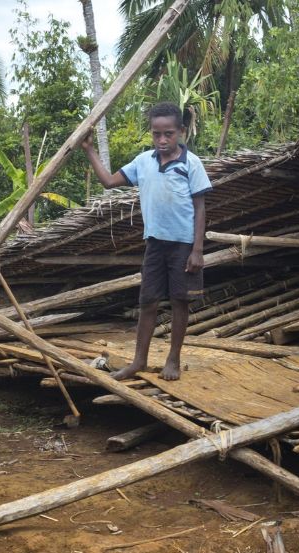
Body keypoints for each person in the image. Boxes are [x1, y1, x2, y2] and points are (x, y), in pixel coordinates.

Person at [80, 102, 211, 381]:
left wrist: (197, 250)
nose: (162, 140)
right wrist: (89, 149)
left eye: (169, 134)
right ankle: (138, 361)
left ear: (181, 132)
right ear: (151, 134)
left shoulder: (192, 163)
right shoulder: (143, 162)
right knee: (148, 301)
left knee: (180, 301)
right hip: (154, 243)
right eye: (156, 134)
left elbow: (200, 207)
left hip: (183, 245)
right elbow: (108, 181)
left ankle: (173, 360)